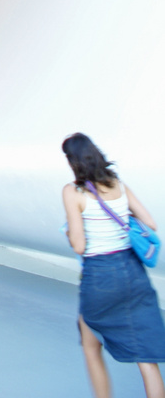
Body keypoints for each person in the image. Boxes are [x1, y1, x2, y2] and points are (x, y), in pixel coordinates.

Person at [62, 132, 165, 398]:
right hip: (133, 273)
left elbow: (79, 246)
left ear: (72, 161)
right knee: (146, 356)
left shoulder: (74, 192)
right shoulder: (118, 184)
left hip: (100, 276)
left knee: (90, 344)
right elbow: (150, 224)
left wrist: (73, 231)